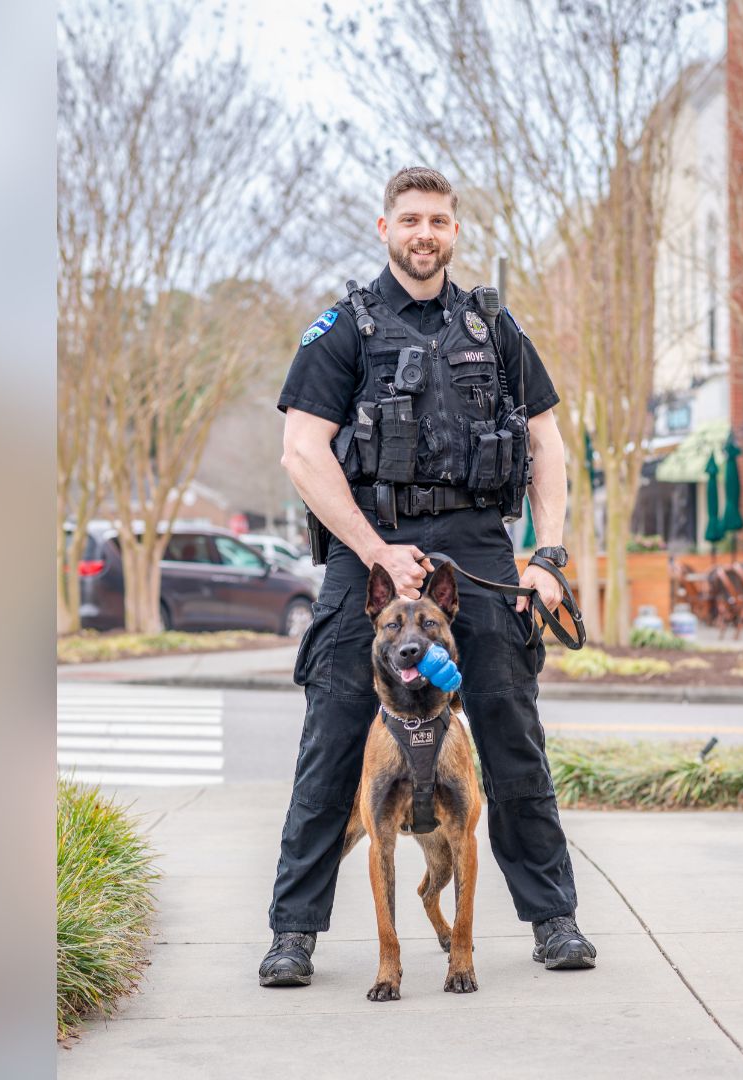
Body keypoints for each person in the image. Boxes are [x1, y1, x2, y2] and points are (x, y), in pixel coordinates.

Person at [261, 166, 596, 986]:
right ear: (385, 228)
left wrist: (547, 554)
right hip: (368, 553)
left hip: (478, 552)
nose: (425, 233)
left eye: (439, 220)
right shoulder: (344, 327)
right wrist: (376, 549)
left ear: (454, 230)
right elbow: (302, 451)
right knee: (332, 743)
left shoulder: (493, 327)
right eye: (410, 219)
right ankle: (293, 934)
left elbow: (547, 441)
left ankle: (555, 920)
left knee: (512, 735)